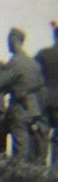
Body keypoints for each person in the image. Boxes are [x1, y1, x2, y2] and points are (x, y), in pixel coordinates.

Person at [0, 28, 47, 162]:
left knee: (18, 143)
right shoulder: (33, 63)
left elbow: (0, 83)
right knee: (28, 142)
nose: (8, 45)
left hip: (19, 107)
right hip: (34, 109)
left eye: (9, 41)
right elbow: (39, 83)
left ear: (14, 41)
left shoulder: (16, 61)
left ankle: (14, 171)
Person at [35, 24, 58, 164]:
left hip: (44, 100)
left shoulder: (43, 53)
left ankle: (40, 168)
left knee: (42, 136)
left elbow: (33, 74)